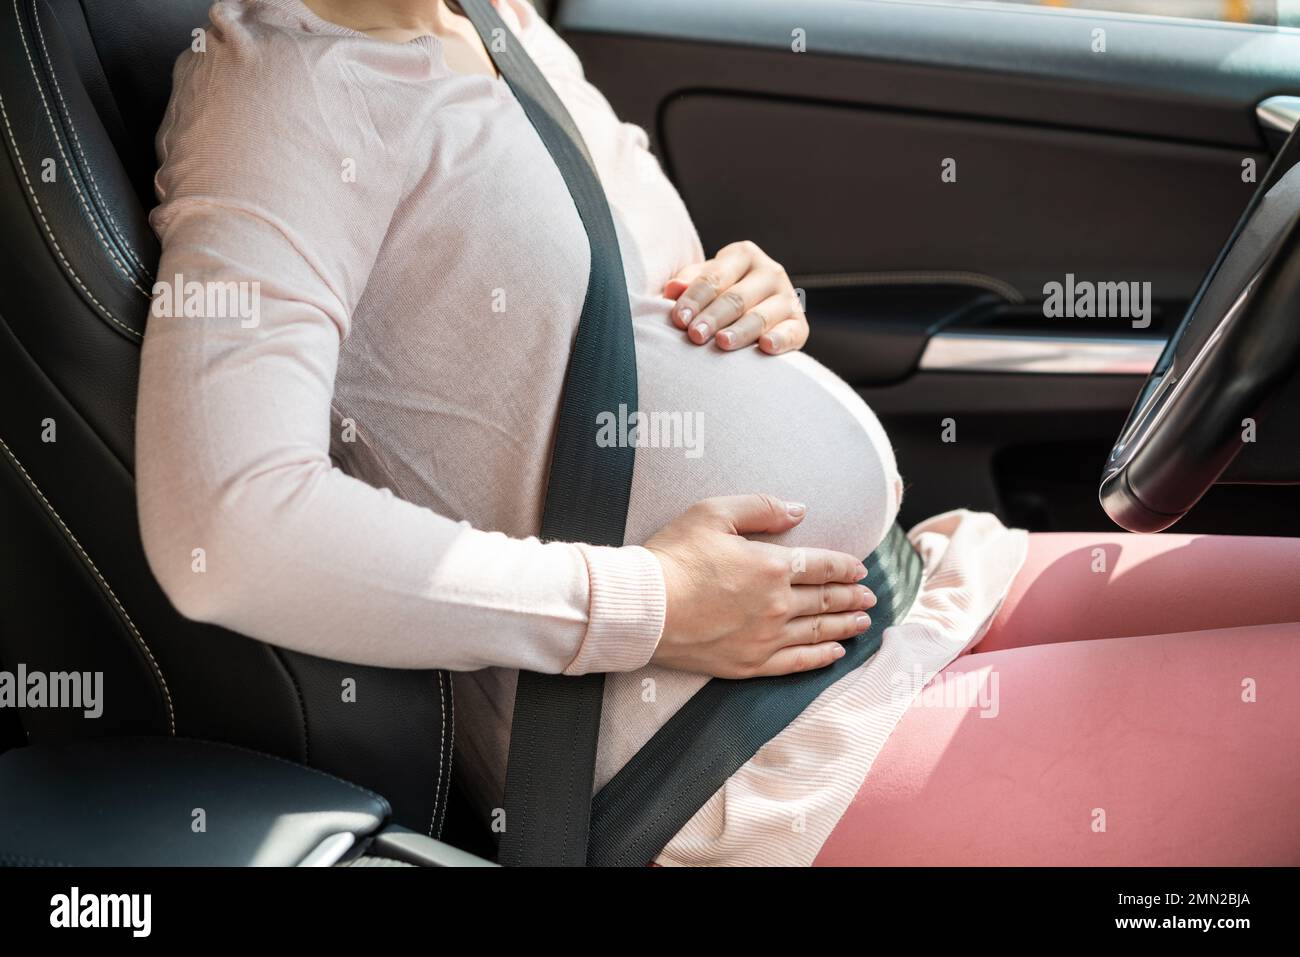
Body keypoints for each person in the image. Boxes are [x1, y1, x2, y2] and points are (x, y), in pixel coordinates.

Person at [137, 0, 1300, 865]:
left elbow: (627, 311)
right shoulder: (282, 90)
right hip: (742, 753)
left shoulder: (488, 27)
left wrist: (747, 295)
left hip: (898, 591)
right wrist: (650, 600)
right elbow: (228, 525)